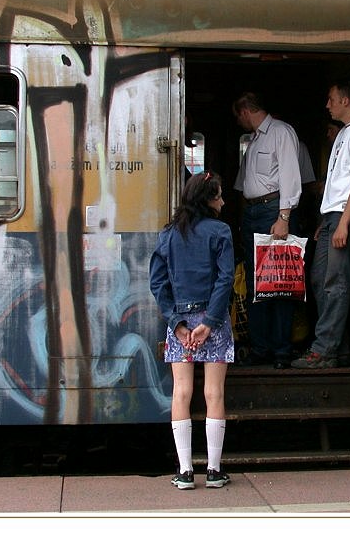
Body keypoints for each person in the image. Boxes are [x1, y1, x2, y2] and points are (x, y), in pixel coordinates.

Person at [149, 172, 235, 490]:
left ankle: (185, 472)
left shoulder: (169, 234)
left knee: (181, 392)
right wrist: (210, 322)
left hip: (181, 325)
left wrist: (177, 323)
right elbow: (225, 279)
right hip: (213, 323)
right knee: (214, 393)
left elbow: (157, 282)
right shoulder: (221, 231)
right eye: (219, 196)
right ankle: (213, 471)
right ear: (208, 200)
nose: (224, 201)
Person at [292, 82, 350, 369]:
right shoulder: (345, 132)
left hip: (346, 217)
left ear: (345, 100)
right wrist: (326, 221)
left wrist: (344, 222)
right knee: (321, 279)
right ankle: (340, 346)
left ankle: (324, 350)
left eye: (331, 99)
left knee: (336, 282)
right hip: (332, 216)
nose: (327, 105)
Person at [232, 92, 302, 369]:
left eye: (238, 116)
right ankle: (261, 347)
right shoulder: (256, 139)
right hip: (254, 212)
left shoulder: (280, 132)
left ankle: (281, 350)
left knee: (280, 283)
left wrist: (284, 216)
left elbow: (290, 176)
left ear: (245, 111)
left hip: (273, 211)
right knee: (256, 284)